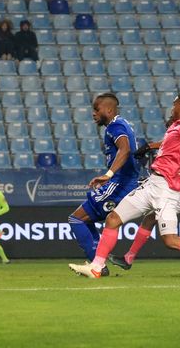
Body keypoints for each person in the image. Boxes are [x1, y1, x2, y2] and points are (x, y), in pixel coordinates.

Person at [69, 91, 180, 278]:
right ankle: (96, 267)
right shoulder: (175, 127)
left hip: (166, 191)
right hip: (152, 184)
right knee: (113, 219)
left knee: (170, 240)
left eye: (175, 104)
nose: (172, 108)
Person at [68, 93, 140, 262]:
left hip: (120, 183)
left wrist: (108, 175)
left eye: (96, 109)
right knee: (84, 220)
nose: (93, 113)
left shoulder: (115, 126)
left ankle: (97, 264)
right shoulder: (123, 124)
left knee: (76, 218)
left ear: (108, 109)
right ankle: (98, 262)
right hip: (124, 182)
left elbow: (125, 149)